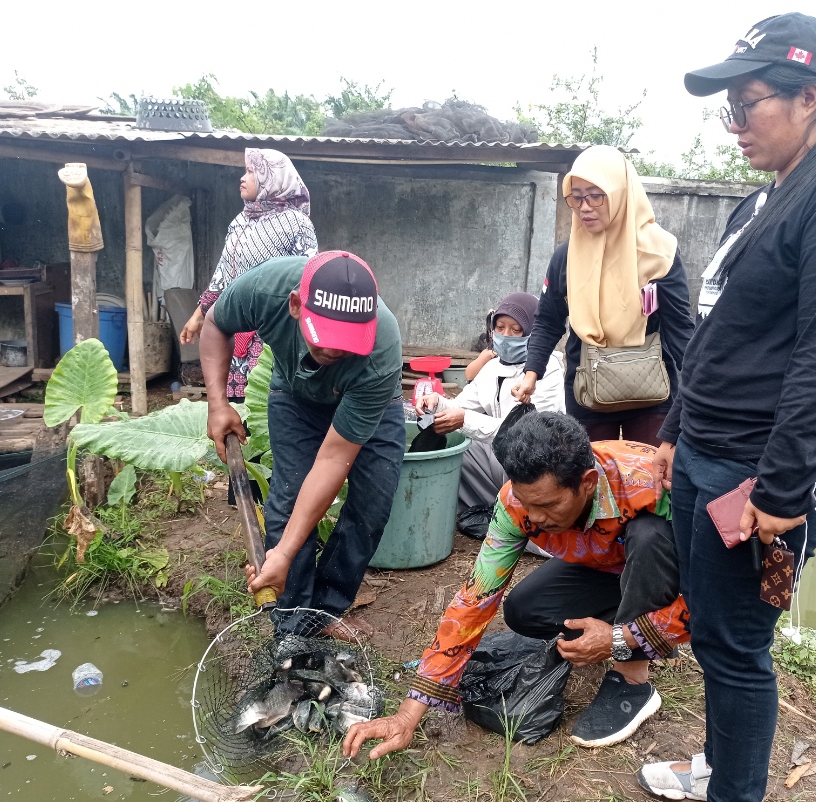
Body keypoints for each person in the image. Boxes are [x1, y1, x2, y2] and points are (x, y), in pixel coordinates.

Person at [638, 14, 816, 802]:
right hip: (709, 453)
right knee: (715, 637)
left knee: (738, 646)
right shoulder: (760, 204)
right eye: (728, 109)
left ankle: (733, 793)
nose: (735, 125)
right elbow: (715, 336)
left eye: (747, 105)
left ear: (809, 96)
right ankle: (717, 771)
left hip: (761, 470)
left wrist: (785, 491)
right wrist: (676, 433)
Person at [342, 411, 690, 760]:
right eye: (527, 503)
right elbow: (475, 598)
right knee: (525, 610)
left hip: (666, 563)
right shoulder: (515, 503)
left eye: (548, 505)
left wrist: (621, 638)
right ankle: (645, 621)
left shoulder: (654, 484)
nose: (535, 518)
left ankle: (632, 679)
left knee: (650, 537)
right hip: (604, 567)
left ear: (586, 483)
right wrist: (407, 714)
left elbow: (719, 594)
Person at [201, 251, 405, 642]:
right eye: (323, 337)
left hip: (371, 400)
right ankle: (292, 622)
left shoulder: (381, 346)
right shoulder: (266, 289)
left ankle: (326, 610)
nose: (332, 352)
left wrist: (282, 551)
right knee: (290, 495)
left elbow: (334, 457)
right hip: (295, 394)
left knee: (373, 504)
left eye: (345, 343)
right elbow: (215, 324)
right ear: (296, 305)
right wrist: (217, 404)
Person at [511, 146, 693, 444]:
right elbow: (548, 321)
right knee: (590, 477)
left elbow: (678, 326)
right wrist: (532, 372)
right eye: (577, 196)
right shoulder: (567, 257)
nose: (584, 206)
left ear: (620, 193)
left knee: (648, 476)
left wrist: (699, 384)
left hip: (651, 391)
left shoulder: (659, 253)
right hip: (587, 388)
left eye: (596, 195)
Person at [181, 148, 317, 401]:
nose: (243, 178)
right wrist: (198, 315)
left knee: (267, 402)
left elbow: (306, 278)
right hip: (235, 326)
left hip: (272, 333)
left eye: (252, 172)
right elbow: (223, 273)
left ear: (271, 178)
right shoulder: (240, 221)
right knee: (235, 404)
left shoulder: (297, 223)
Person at [415, 291, 565, 511]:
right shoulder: (492, 368)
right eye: (500, 327)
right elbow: (462, 406)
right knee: (457, 444)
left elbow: (524, 433)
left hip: (538, 461)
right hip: (502, 455)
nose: (506, 336)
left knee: (511, 449)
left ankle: (521, 514)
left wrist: (464, 420)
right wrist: (437, 403)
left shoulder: (547, 370)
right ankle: (491, 509)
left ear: (533, 333)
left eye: (516, 330)